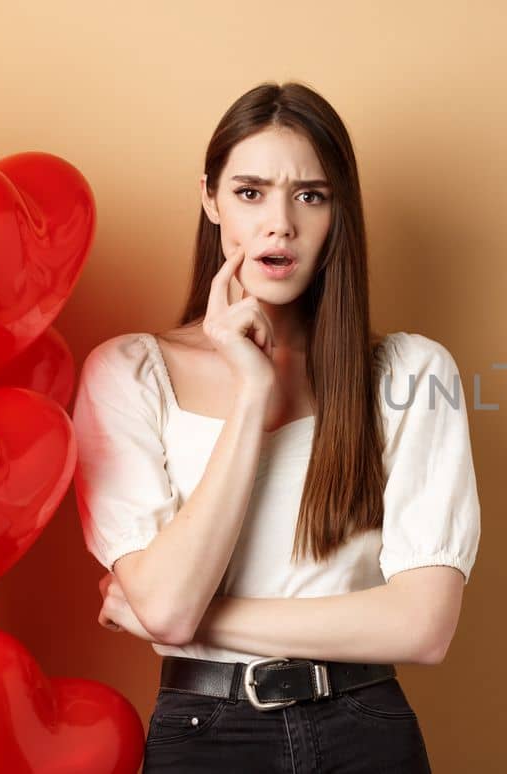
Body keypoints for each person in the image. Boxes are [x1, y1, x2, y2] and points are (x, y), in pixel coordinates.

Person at [71, 81, 480, 773]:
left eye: (311, 195)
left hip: (364, 731)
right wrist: (252, 393)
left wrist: (197, 620)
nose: (280, 224)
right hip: (205, 735)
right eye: (251, 192)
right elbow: (167, 606)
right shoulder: (131, 372)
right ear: (211, 199)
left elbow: (422, 625)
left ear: (338, 210)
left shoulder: (410, 373)